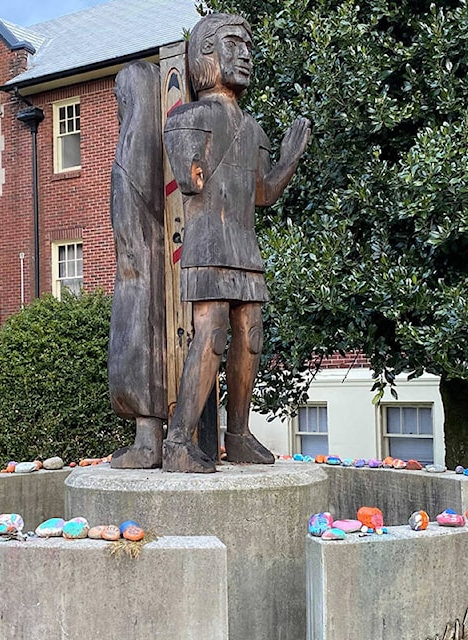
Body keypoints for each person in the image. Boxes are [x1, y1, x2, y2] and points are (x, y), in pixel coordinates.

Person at [162, 13, 311, 473]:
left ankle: (239, 433)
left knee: (251, 338)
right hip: (208, 243)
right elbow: (190, 180)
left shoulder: (255, 130)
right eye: (233, 44)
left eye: (249, 46)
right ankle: (178, 440)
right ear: (205, 52)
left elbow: (263, 194)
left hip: (245, 246)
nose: (245, 53)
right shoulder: (188, 117)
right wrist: (190, 161)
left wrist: (289, 158)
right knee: (211, 334)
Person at [107, 61, 168, 469]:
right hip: (160, 273)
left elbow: (125, 227)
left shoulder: (131, 152)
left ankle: (147, 441)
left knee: (134, 343)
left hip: (138, 276)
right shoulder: (162, 148)